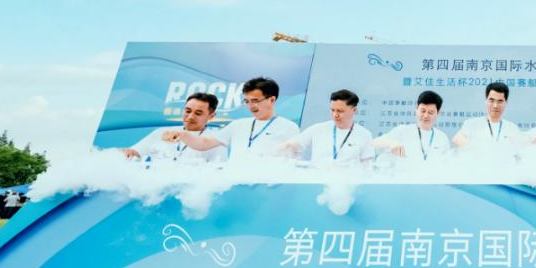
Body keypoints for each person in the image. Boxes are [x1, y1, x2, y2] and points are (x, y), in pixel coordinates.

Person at [164, 76, 298, 159]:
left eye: (255, 101)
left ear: (272, 100)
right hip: (235, 185)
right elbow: (203, 143)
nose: (251, 106)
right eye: (247, 101)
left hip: (268, 187)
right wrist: (182, 135)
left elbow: (294, 161)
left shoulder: (288, 127)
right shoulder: (238, 125)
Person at [122, 92, 225, 163]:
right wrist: (127, 152)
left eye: (198, 113)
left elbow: (218, 171)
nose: (190, 117)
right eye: (188, 111)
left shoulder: (215, 141)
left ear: (211, 116)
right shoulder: (163, 132)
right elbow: (135, 152)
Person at [283, 89, 374, 167]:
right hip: (317, 178)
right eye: (332, 110)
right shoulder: (318, 129)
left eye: (340, 111)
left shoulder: (364, 134)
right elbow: (292, 145)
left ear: (354, 110)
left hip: (348, 180)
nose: (335, 115)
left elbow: (367, 166)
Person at [371, 90, 451, 162]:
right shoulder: (403, 130)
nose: (426, 115)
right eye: (423, 111)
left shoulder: (442, 138)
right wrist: (391, 143)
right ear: (416, 108)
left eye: (430, 112)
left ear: (438, 113)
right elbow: (373, 143)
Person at [453, 82, 524, 149]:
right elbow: (457, 139)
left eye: (500, 101)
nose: (495, 106)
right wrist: (476, 151)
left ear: (506, 102)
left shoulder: (512, 128)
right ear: (486, 101)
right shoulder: (472, 123)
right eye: (492, 101)